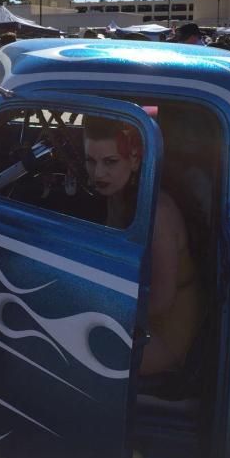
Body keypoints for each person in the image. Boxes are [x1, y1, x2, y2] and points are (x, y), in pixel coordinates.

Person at [82, 116, 203, 376]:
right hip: (140, 316)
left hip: (166, 333)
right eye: (90, 161)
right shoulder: (117, 193)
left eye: (110, 162)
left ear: (135, 160)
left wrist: (102, 311)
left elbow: (161, 300)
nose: (98, 173)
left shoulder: (158, 213)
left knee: (78, 350)